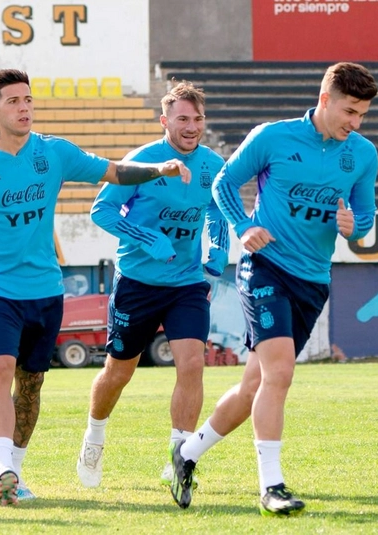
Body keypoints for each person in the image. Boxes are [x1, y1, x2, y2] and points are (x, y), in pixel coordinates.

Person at [0, 69, 191, 506]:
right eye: (13, 101)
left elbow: (113, 171)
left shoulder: (54, 153)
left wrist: (158, 168)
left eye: (27, 99)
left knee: (31, 385)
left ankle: (17, 473)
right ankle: (2, 467)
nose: (24, 107)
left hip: (44, 288)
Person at [169, 62, 378, 515]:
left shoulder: (363, 154)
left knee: (254, 386)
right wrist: (244, 226)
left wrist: (355, 226)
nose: (356, 123)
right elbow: (224, 183)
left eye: (362, 115)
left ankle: (187, 453)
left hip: (313, 280)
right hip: (264, 268)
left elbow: (365, 218)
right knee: (280, 373)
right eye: (349, 111)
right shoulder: (273, 137)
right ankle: (271, 487)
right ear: (325, 100)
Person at [76, 81, 228, 489]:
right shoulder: (142, 161)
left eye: (198, 119)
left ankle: (180, 459)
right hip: (137, 283)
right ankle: (94, 437)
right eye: (183, 119)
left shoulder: (213, 164)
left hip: (187, 283)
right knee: (118, 372)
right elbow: (102, 210)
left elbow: (218, 210)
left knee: (192, 364)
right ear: (165, 121)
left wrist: (219, 246)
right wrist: (147, 237)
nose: (192, 126)